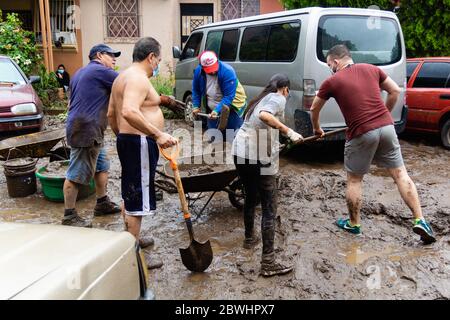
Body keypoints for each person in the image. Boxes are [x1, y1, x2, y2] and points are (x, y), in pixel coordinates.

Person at [310, 44, 436, 244]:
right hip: (387, 127)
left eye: (329, 65)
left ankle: (354, 224)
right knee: (401, 174)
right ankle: (420, 220)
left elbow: (314, 108)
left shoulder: (332, 81)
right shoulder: (372, 69)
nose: (330, 68)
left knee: (354, 180)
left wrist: (317, 129)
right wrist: (384, 114)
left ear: (335, 62)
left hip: (360, 132)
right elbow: (395, 91)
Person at [107, 37, 178, 264]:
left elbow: (111, 114)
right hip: (138, 143)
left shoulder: (122, 77)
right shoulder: (138, 78)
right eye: (158, 59)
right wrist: (156, 134)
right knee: (137, 200)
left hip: (130, 141)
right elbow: (128, 110)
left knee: (131, 194)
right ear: (151, 57)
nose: (158, 64)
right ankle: (132, 258)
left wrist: (122, 136)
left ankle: (131, 241)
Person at [231, 74, 303, 277]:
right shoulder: (278, 97)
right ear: (285, 89)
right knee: (269, 208)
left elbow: (261, 124)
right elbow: (265, 116)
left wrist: (281, 138)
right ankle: (268, 262)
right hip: (257, 155)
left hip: (240, 152)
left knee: (251, 197)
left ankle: (249, 238)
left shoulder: (259, 98)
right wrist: (289, 131)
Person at [62, 44, 122, 227]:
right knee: (76, 173)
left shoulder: (80, 72)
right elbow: (127, 83)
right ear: (99, 55)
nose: (114, 59)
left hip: (85, 127)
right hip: (86, 129)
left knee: (101, 166)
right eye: (111, 55)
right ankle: (69, 215)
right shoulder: (100, 71)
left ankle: (102, 202)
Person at [192, 51, 247, 136]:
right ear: (202, 67)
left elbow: (229, 97)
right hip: (212, 108)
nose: (213, 72)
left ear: (217, 61)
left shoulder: (227, 71)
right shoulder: (198, 72)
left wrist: (217, 110)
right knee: (214, 138)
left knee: (233, 137)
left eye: (214, 68)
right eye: (209, 70)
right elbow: (196, 90)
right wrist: (196, 105)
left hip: (232, 106)